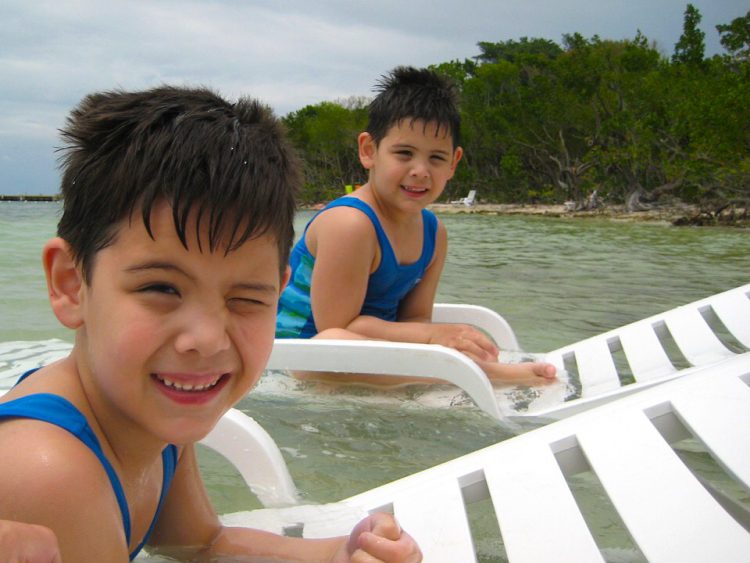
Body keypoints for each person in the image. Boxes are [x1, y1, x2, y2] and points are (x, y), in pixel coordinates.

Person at [0, 86, 421, 562]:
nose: (205, 340)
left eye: (245, 298)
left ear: (278, 290)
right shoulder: (50, 475)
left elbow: (202, 543)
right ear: (72, 284)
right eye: (161, 289)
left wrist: (340, 553)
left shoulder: (151, 413)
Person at [276, 67, 556, 385]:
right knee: (333, 343)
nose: (420, 171)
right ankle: (484, 376)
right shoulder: (349, 224)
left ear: (454, 163)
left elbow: (415, 320)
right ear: (369, 150)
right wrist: (435, 337)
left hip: (370, 358)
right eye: (404, 153)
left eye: (436, 158)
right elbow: (339, 330)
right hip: (295, 360)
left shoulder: (433, 233)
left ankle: (464, 373)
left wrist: (439, 337)